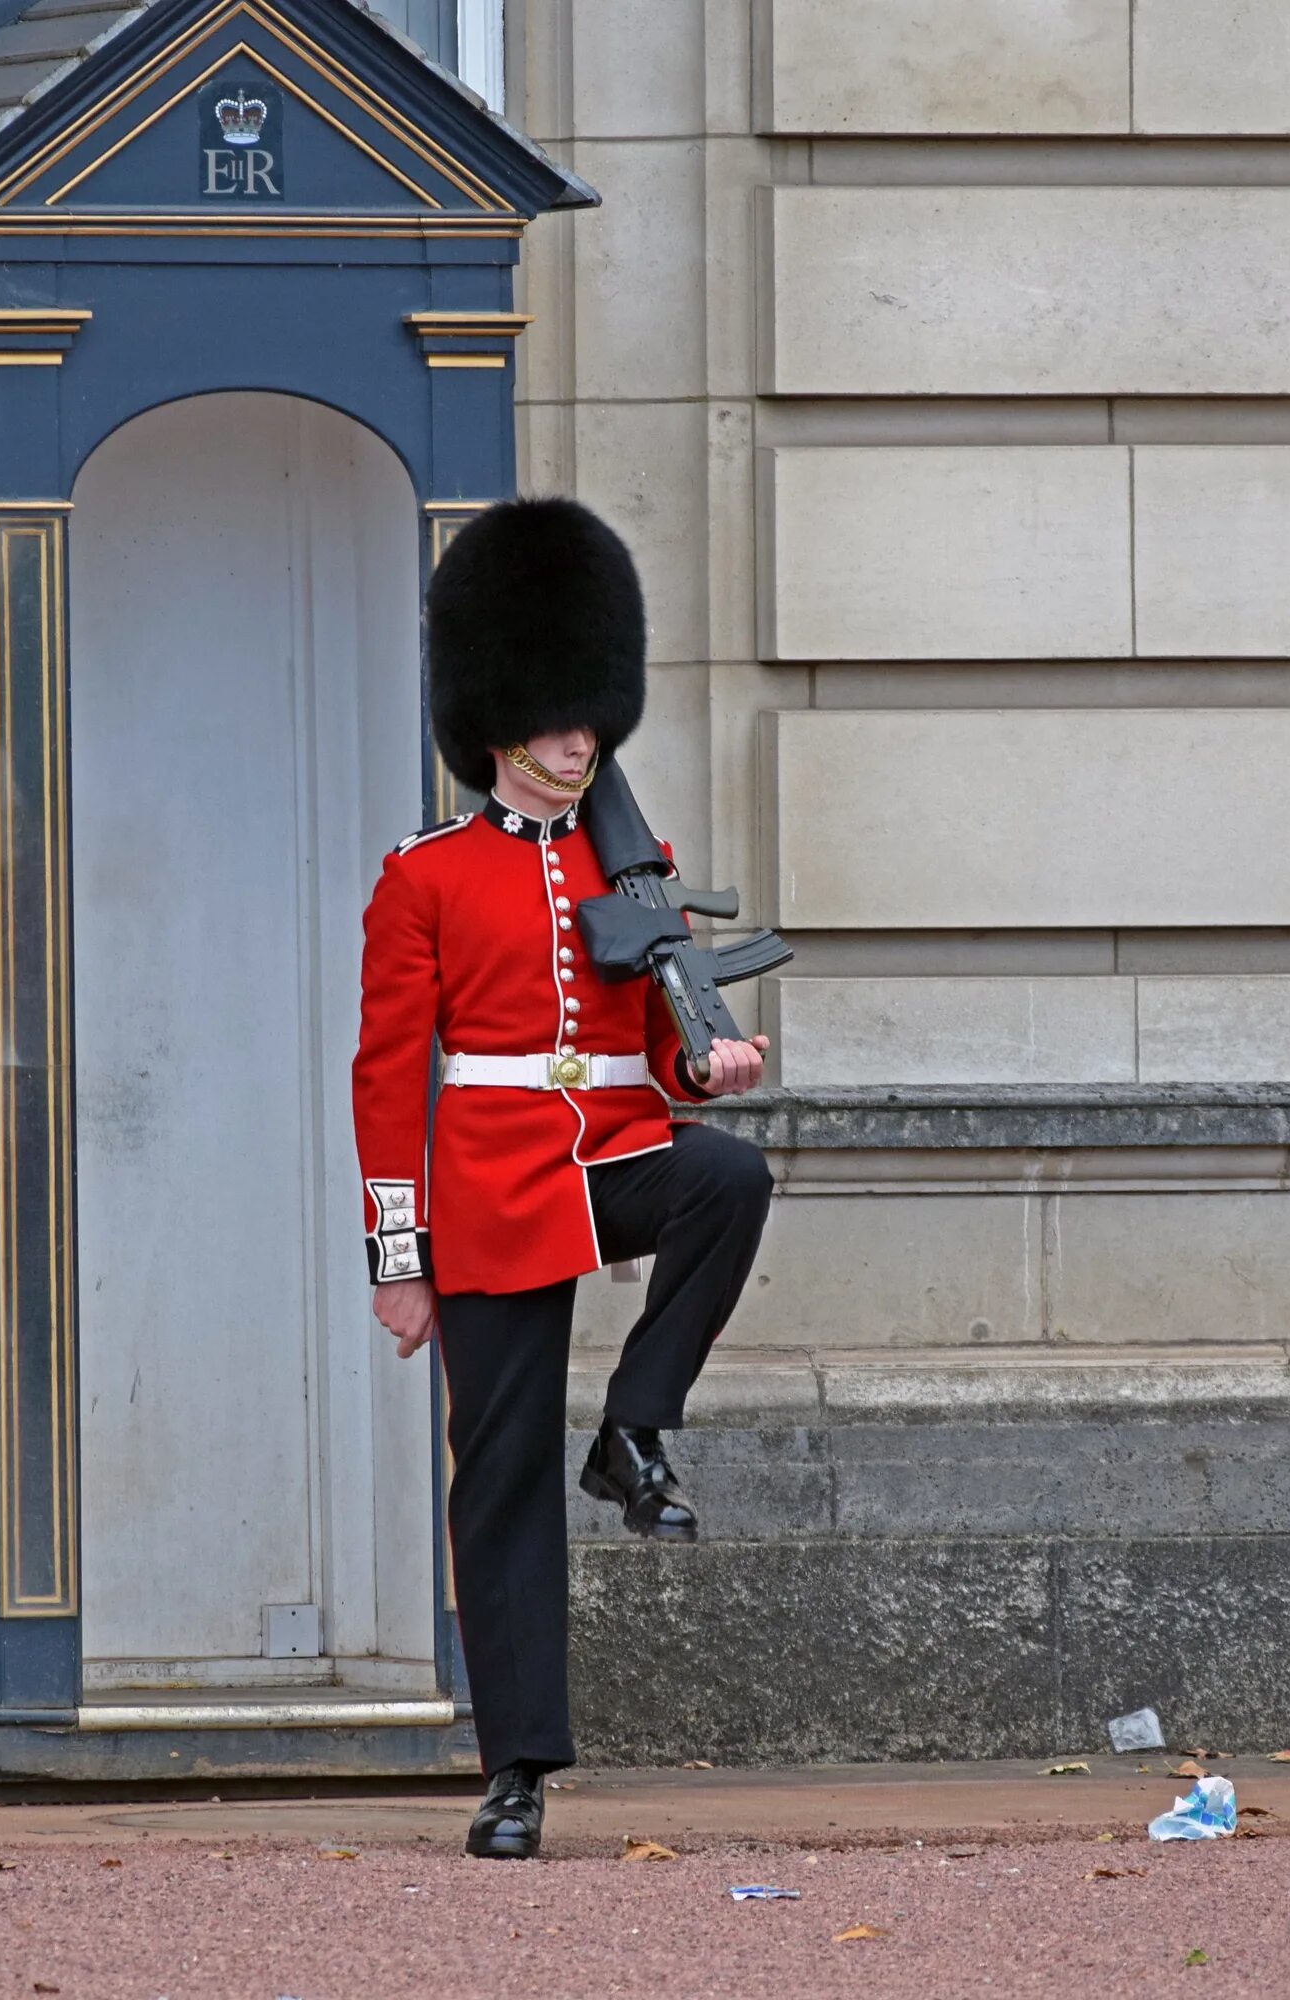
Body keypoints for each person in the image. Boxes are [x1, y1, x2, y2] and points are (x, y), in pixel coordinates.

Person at [352, 496, 775, 1861]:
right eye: (551, 720)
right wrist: (399, 1258)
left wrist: (713, 1065)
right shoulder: (426, 875)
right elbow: (386, 1078)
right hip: (484, 1189)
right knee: (502, 1480)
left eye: (586, 718)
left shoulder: (624, 864)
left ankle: (635, 1428)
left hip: (614, 1156)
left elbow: (659, 1036)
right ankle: (518, 1768)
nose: (575, 741)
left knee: (729, 1177)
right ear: (498, 726)